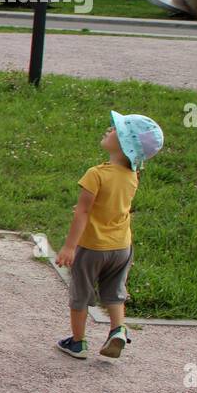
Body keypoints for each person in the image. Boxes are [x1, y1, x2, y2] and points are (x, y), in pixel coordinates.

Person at [55, 111, 164, 360]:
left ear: (125, 143)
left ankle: (77, 342)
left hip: (92, 246)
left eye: (115, 129)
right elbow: (112, 205)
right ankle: (117, 329)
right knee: (114, 292)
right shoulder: (132, 175)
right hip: (121, 246)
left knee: (80, 293)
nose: (109, 129)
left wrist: (70, 247)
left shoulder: (96, 174)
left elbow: (82, 212)